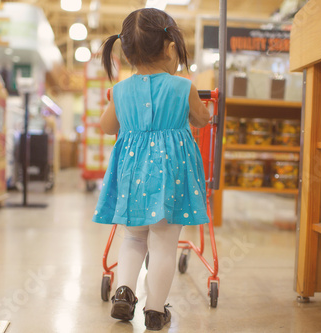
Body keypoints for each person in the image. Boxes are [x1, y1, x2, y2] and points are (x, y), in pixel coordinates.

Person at [92, 7, 211, 331]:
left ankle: (125, 292)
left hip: (133, 176)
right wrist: (202, 115)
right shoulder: (183, 86)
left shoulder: (120, 90)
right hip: (170, 175)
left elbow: (105, 126)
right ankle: (155, 311)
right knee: (163, 244)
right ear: (171, 48)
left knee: (133, 239)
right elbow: (202, 118)